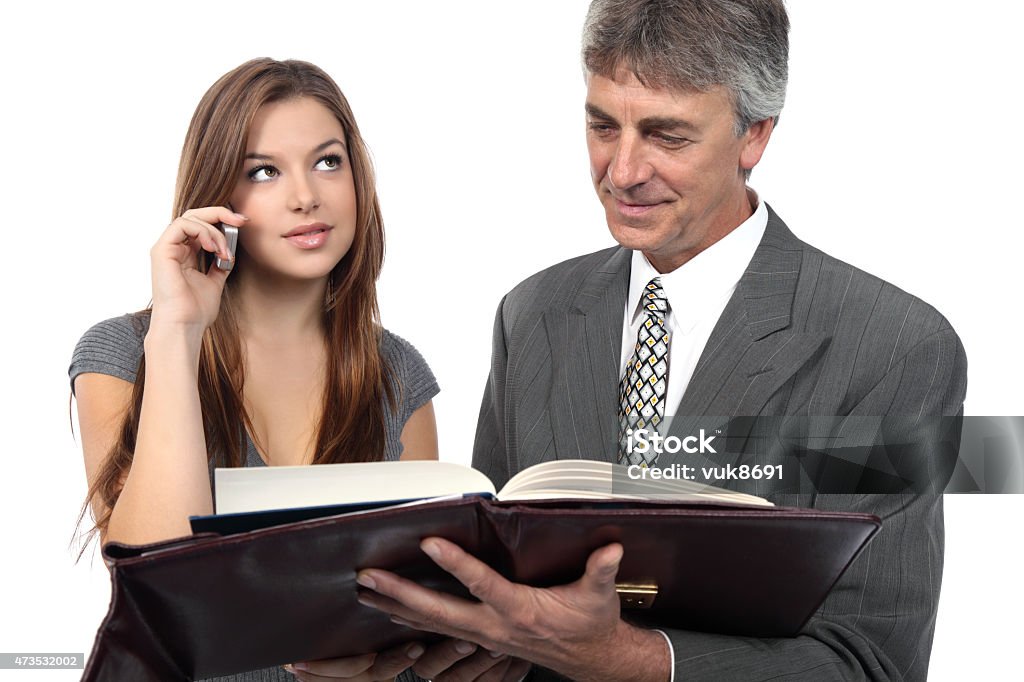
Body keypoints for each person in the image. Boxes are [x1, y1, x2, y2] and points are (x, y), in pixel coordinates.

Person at [342, 1, 968, 681]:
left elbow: (871, 663)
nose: (622, 171)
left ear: (754, 135)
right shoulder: (532, 316)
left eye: (667, 135)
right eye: (602, 125)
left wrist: (631, 660)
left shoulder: (892, 349)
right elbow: (492, 594)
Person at [69, 58, 440, 682]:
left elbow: (417, 603)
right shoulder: (125, 354)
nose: (306, 196)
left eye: (328, 161)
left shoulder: (397, 372)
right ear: (217, 194)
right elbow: (155, 583)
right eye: (264, 172)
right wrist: (178, 332)